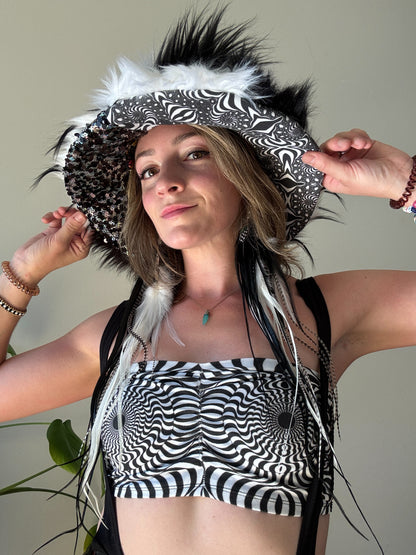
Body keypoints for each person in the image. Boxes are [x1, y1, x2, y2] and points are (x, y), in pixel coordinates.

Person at [0, 8, 415, 555]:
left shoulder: (325, 312)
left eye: (194, 154)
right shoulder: (113, 338)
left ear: (244, 171)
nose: (167, 182)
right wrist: (22, 275)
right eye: (147, 170)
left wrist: (405, 182)